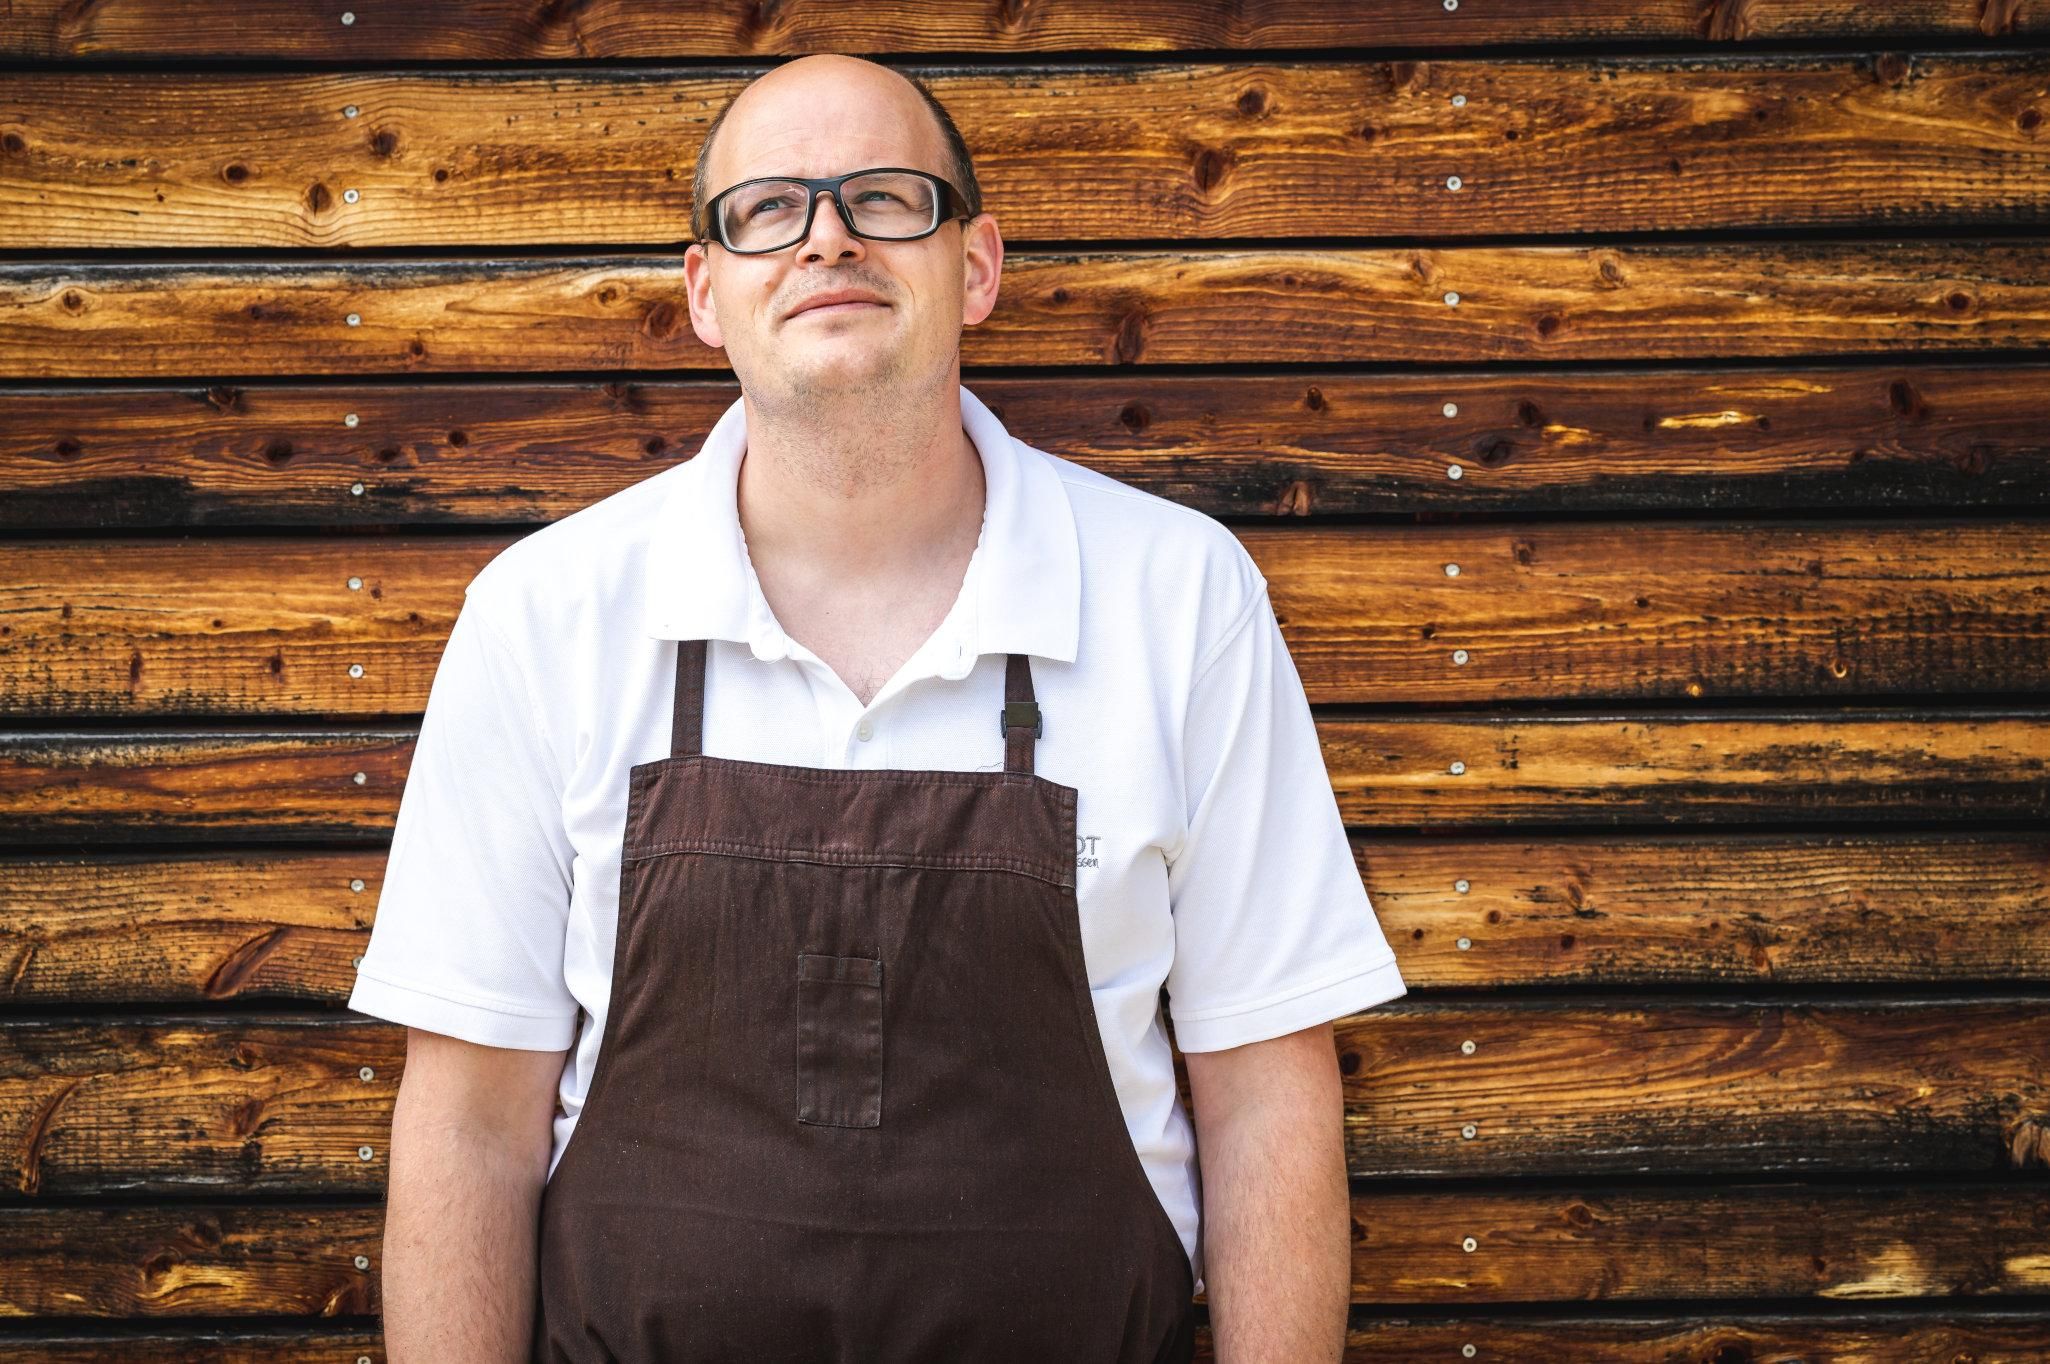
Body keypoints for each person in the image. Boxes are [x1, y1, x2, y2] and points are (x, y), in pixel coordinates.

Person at [347, 52, 1407, 1364]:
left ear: (975, 266)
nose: (828, 237)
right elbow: (467, 1125)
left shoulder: (1175, 596)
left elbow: (1266, 1100)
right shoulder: (548, 615)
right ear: (705, 291)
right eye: (767, 209)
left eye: (885, 197)